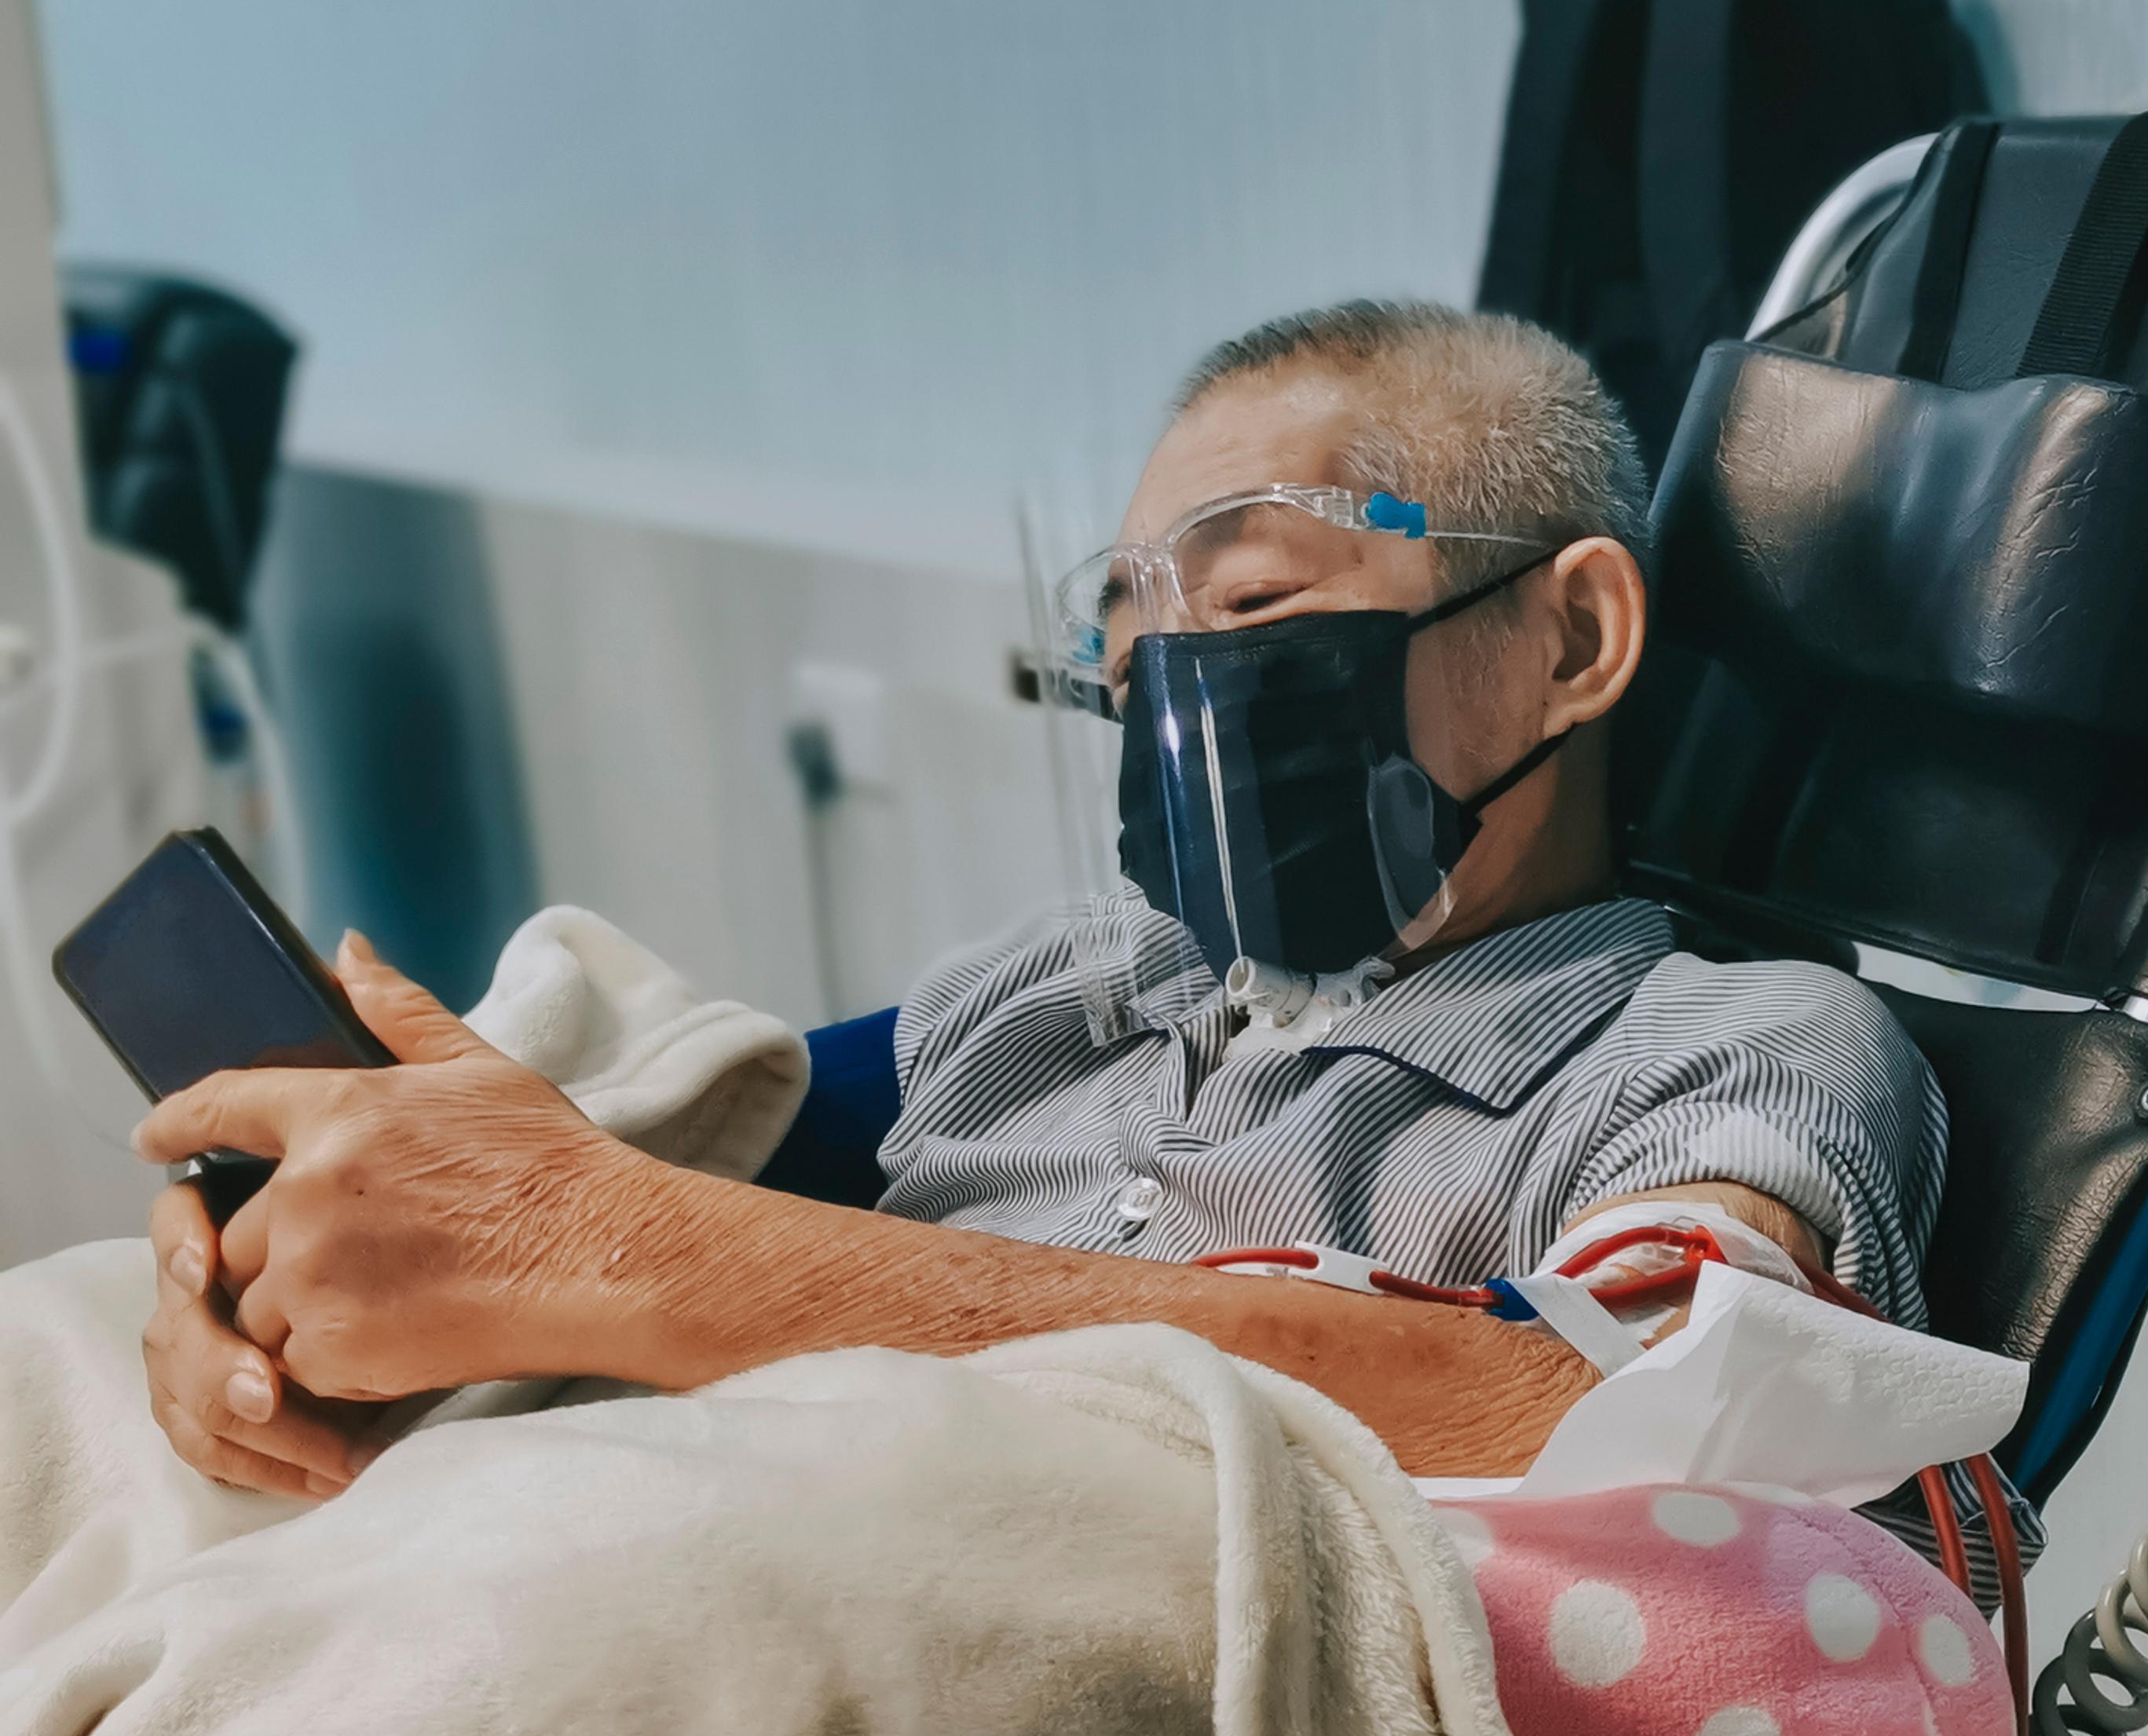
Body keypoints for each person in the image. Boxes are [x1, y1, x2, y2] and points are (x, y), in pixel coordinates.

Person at [130, 301, 1947, 1493]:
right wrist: (318, 1288)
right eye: (1130, 643)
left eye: (1242, 610)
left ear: (1573, 637)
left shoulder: (1735, 1045)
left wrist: (621, 1251)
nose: (1176, 692)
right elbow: (672, 1161)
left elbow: (1632, 1420)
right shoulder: (1069, 988)